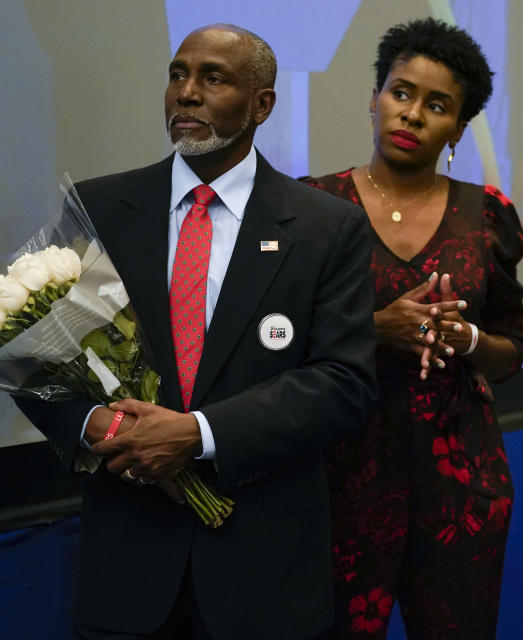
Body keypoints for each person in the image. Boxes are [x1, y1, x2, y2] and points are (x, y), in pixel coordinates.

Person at [14, 24, 378, 639]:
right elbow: (32, 357)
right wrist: (96, 426)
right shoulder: (100, 208)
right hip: (128, 563)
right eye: (178, 74)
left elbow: (344, 384)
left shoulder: (324, 227)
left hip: (263, 571)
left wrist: (198, 434)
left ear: (262, 104)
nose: (186, 93)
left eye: (213, 78)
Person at [299, 18, 523, 639]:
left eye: (437, 105)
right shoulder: (310, 208)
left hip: (460, 484)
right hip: (337, 475)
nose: (413, 115)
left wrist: (467, 340)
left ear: (457, 125)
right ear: (374, 98)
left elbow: (510, 353)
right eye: (401, 93)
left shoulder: (489, 216)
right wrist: (374, 329)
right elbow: (275, 341)